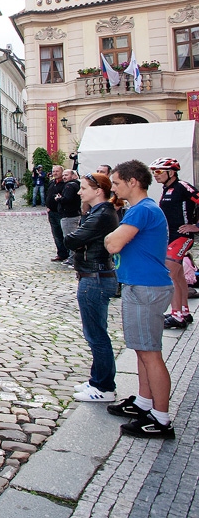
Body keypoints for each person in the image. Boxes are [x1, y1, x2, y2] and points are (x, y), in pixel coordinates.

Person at [104, 160, 175, 439]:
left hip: (146, 287)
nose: (114, 188)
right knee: (142, 350)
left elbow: (113, 244)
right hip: (142, 285)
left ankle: (161, 418)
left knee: (150, 354)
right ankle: (145, 402)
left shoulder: (142, 210)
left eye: (117, 182)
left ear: (132, 182)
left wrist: (110, 236)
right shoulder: (143, 209)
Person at [64, 172, 121, 402]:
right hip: (94, 274)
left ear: (98, 191)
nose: (79, 192)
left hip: (95, 277)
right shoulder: (97, 212)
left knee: (96, 335)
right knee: (96, 333)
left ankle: (104, 386)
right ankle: (98, 380)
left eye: (84, 188)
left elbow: (72, 240)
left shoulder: (102, 214)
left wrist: (77, 241)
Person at [149, 157, 199, 329]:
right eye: (153, 172)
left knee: (169, 274)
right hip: (171, 236)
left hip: (181, 237)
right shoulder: (167, 189)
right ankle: (184, 312)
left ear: (171, 172)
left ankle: (177, 316)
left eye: (159, 171)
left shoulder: (182, 186)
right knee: (178, 275)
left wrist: (196, 226)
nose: (155, 175)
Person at [46, 165, 69, 263]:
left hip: (61, 212)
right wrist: (48, 206)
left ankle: (69, 254)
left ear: (62, 172)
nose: (55, 173)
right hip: (52, 212)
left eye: (57, 171)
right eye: (53, 171)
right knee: (56, 234)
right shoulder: (52, 183)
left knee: (65, 234)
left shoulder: (65, 184)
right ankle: (61, 254)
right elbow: (48, 194)